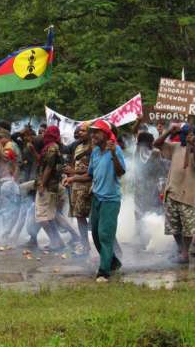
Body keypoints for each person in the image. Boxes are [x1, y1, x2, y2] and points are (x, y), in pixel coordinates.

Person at [65, 120, 126, 281]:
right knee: (97, 236)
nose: (93, 135)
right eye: (91, 132)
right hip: (97, 198)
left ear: (105, 134)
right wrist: (72, 178)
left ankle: (103, 272)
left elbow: (120, 173)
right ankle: (112, 262)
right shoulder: (95, 152)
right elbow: (89, 175)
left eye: (96, 132)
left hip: (110, 200)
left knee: (105, 235)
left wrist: (113, 154)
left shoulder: (115, 150)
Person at [155, 123, 195, 264]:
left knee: (188, 229)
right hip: (172, 193)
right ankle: (181, 249)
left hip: (188, 196)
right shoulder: (175, 147)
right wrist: (169, 130)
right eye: (184, 134)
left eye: (189, 134)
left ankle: (184, 253)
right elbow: (157, 144)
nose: (185, 136)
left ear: (194, 135)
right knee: (173, 227)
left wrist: (192, 144)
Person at [34, 126, 65, 251]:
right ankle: (58, 242)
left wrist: (42, 184)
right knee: (50, 217)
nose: (45, 134)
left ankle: (55, 241)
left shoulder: (52, 147)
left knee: (41, 216)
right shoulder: (52, 147)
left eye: (47, 132)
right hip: (51, 185)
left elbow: (49, 167)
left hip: (47, 186)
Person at [133, 132, 166, 246]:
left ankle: (140, 235)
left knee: (139, 210)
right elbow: (161, 169)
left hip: (139, 186)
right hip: (151, 186)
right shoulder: (155, 153)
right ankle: (150, 236)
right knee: (152, 210)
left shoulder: (137, 151)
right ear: (150, 142)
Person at [65, 122, 93, 256]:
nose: (80, 133)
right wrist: (71, 173)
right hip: (76, 185)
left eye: (83, 131)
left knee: (91, 218)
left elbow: (93, 170)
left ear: (90, 132)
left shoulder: (94, 148)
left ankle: (111, 249)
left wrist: (74, 172)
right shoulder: (78, 147)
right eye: (79, 131)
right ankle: (85, 245)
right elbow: (75, 166)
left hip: (87, 186)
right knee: (79, 216)